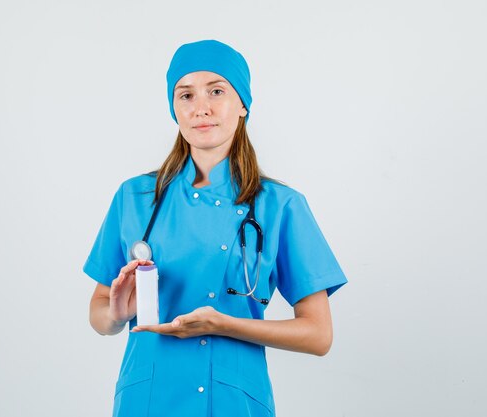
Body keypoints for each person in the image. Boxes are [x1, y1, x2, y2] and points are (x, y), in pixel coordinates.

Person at [84, 39, 348, 417]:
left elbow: (318, 335)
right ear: (174, 109)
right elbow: (99, 316)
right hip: (146, 402)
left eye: (216, 91)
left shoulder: (280, 205)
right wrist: (116, 313)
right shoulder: (136, 197)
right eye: (185, 95)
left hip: (233, 402)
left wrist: (225, 324)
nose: (200, 108)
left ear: (242, 104)